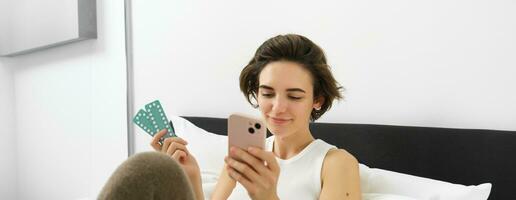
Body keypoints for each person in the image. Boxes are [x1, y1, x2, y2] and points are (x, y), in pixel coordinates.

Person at [152, 34, 362, 200]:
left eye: (294, 96)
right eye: (268, 93)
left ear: (318, 100)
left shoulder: (336, 164)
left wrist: (268, 197)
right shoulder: (243, 156)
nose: (278, 107)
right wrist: (191, 177)